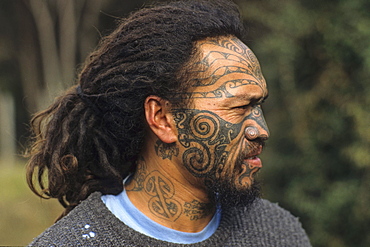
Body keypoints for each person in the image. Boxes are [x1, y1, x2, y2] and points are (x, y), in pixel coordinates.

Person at [26, 0, 311, 246]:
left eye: (258, 106)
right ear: (162, 118)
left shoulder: (279, 233)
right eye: (239, 107)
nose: (261, 130)